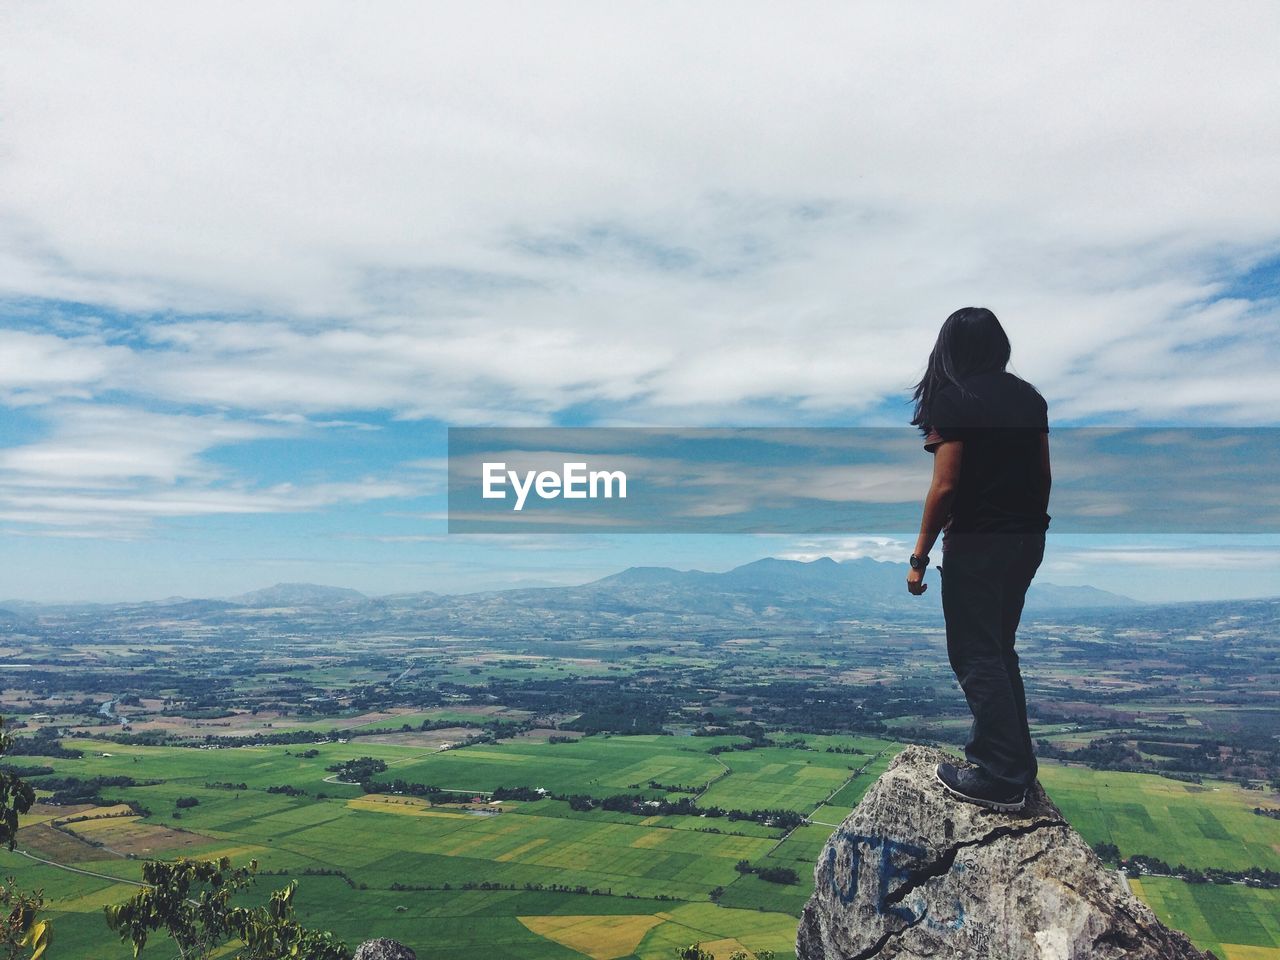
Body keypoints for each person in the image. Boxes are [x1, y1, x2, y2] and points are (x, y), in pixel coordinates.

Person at [905, 307, 1051, 812]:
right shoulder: (1030, 398)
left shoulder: (956, 400)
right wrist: (1031, 527)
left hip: (979, 541)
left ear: (950, 348)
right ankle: (1014, 766)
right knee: (999, 648)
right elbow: (1044, 474)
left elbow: (944, 485)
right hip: (1026, 539)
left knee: (974, 653)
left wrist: (919, 556)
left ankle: (1003, 776)